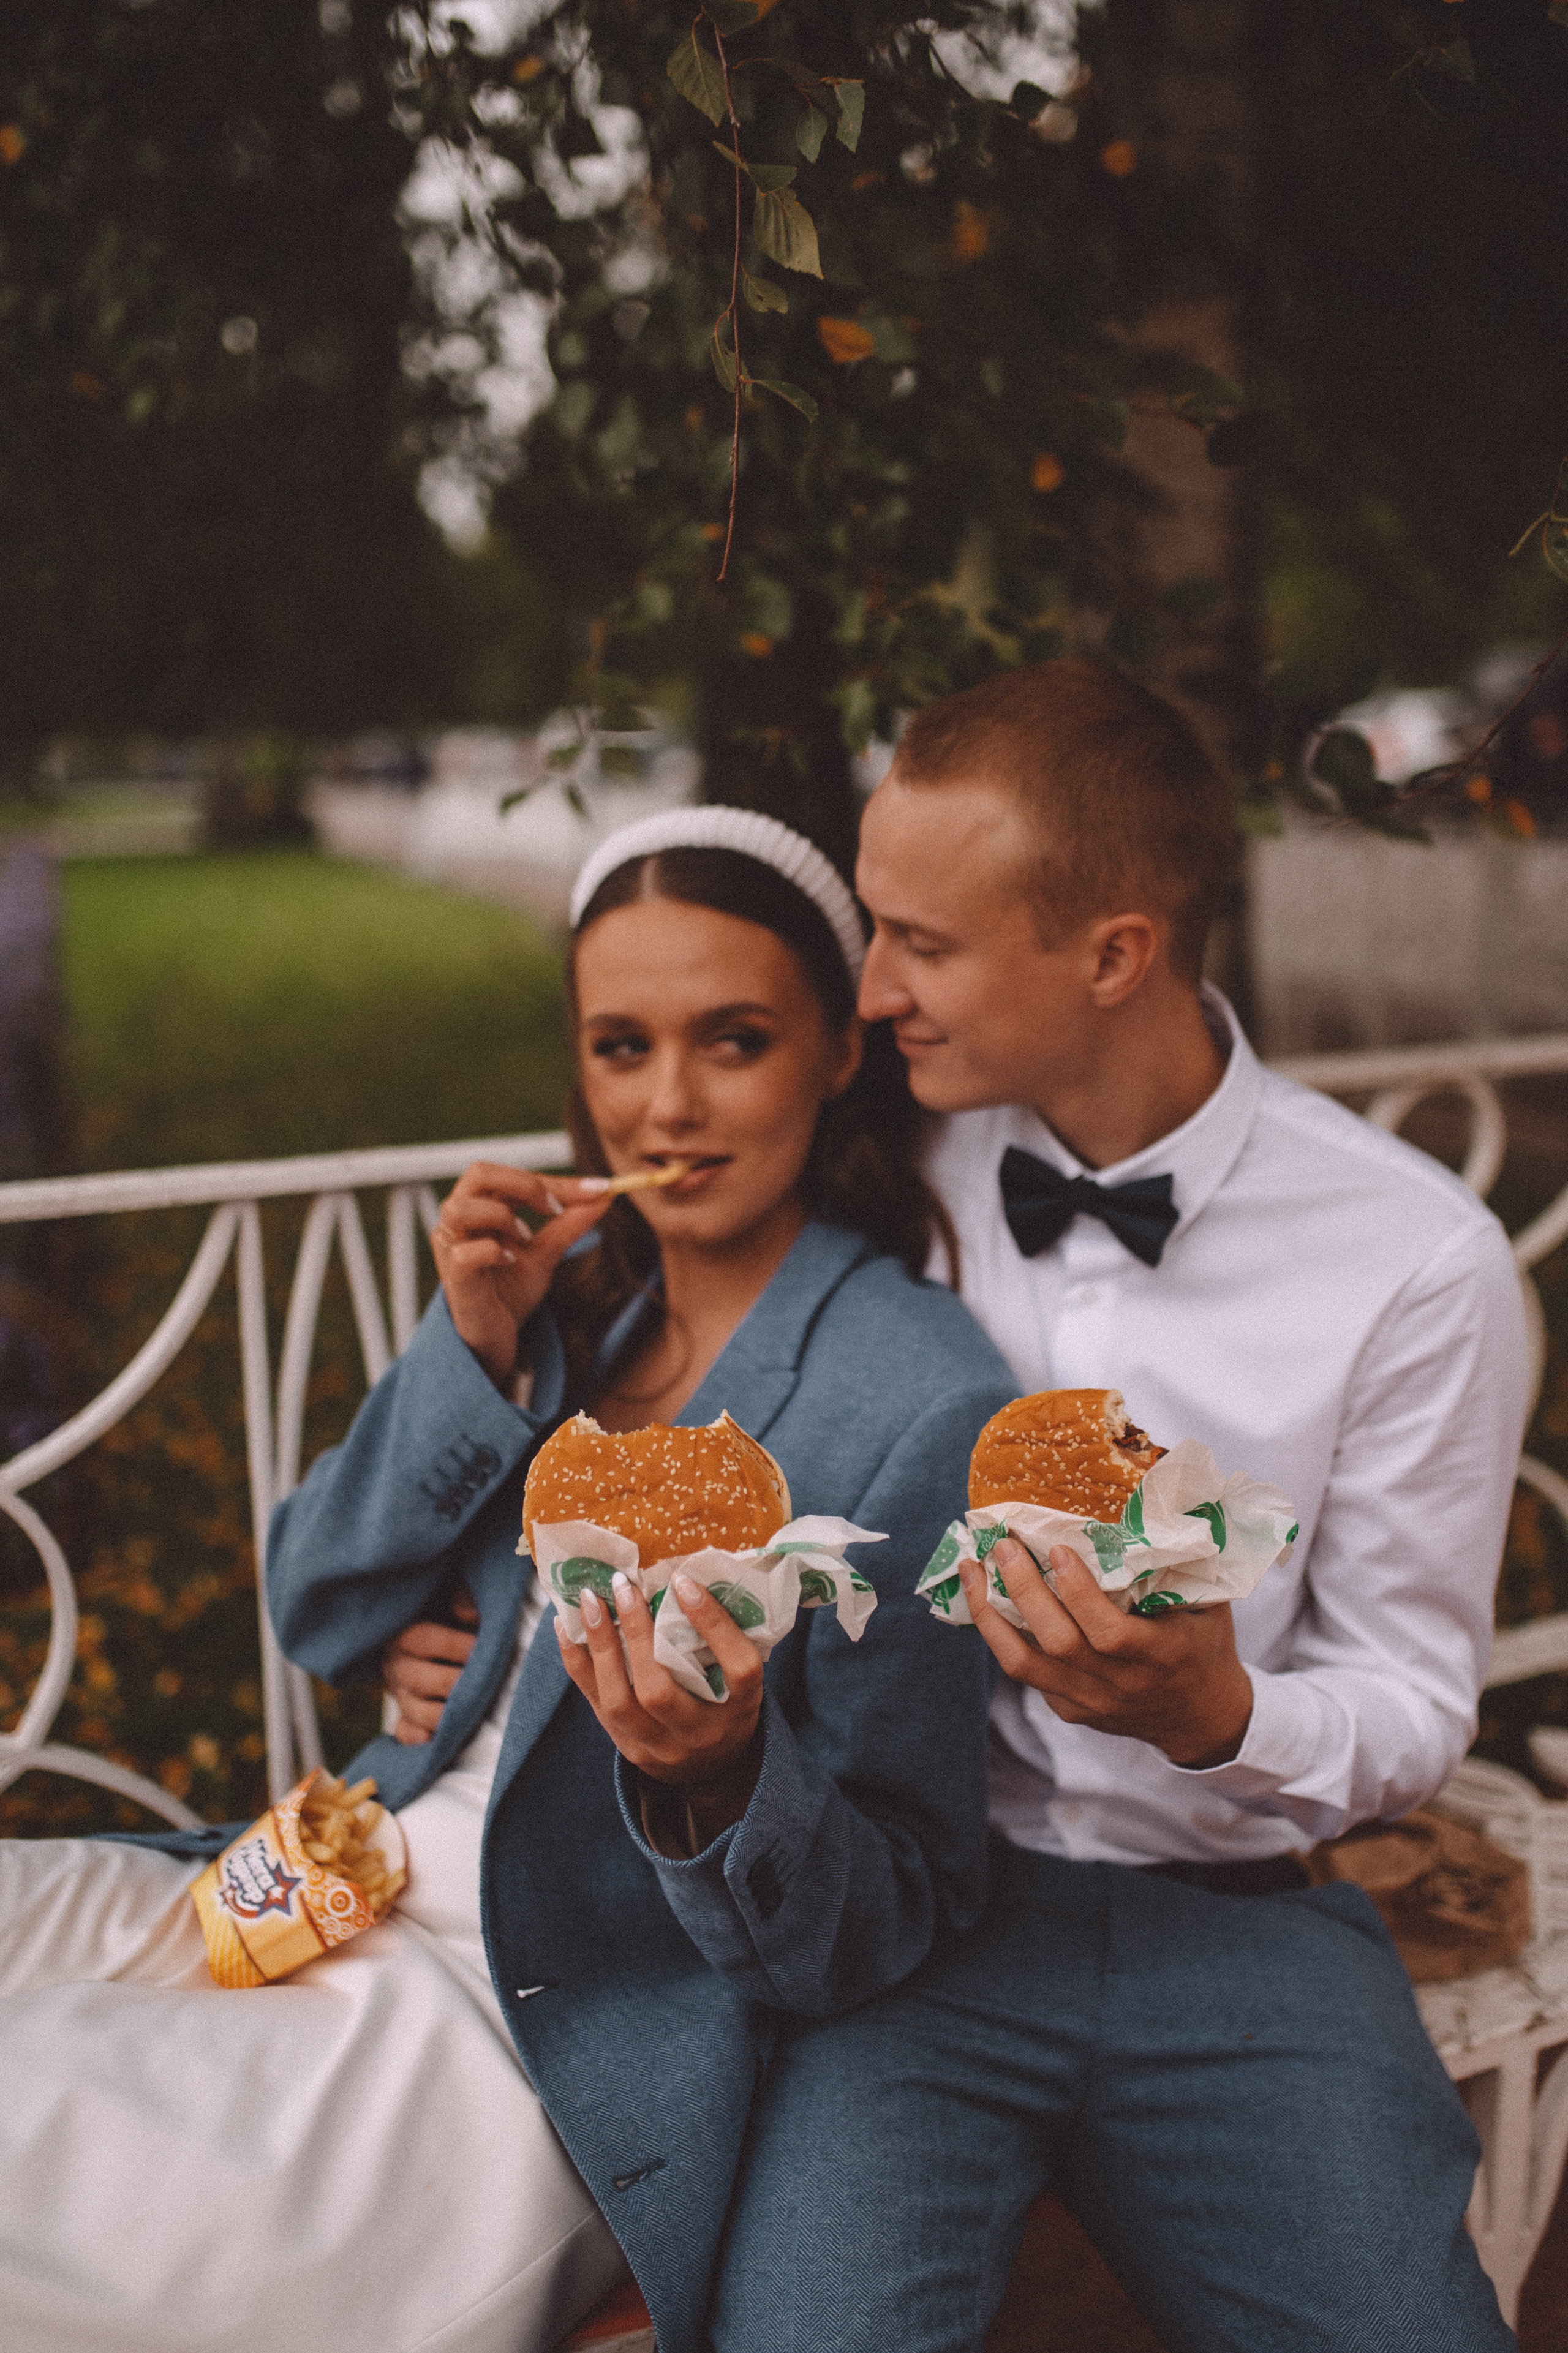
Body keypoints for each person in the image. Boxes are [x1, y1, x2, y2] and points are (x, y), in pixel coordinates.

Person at [0, 807, 1017, 2353]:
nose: (664, 1105)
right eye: (620, 1047)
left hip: (528, 2023)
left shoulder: (917, 1399)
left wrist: (720, 1775)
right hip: (333, 1880)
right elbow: (316, 1606)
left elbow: (898, 1908)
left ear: (835, 1054)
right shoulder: (571, 1321)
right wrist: (469, 1349)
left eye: (732, 1040)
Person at [705, 661, 1534, 2352]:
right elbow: (661, 1345)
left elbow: (1415, 1697)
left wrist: (1222, 1713)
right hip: (920, 1924)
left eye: (920, 944)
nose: (868, 994)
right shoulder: (873, 1167)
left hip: (1247, 1930)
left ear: (1113, 953)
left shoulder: (1417, 1260)